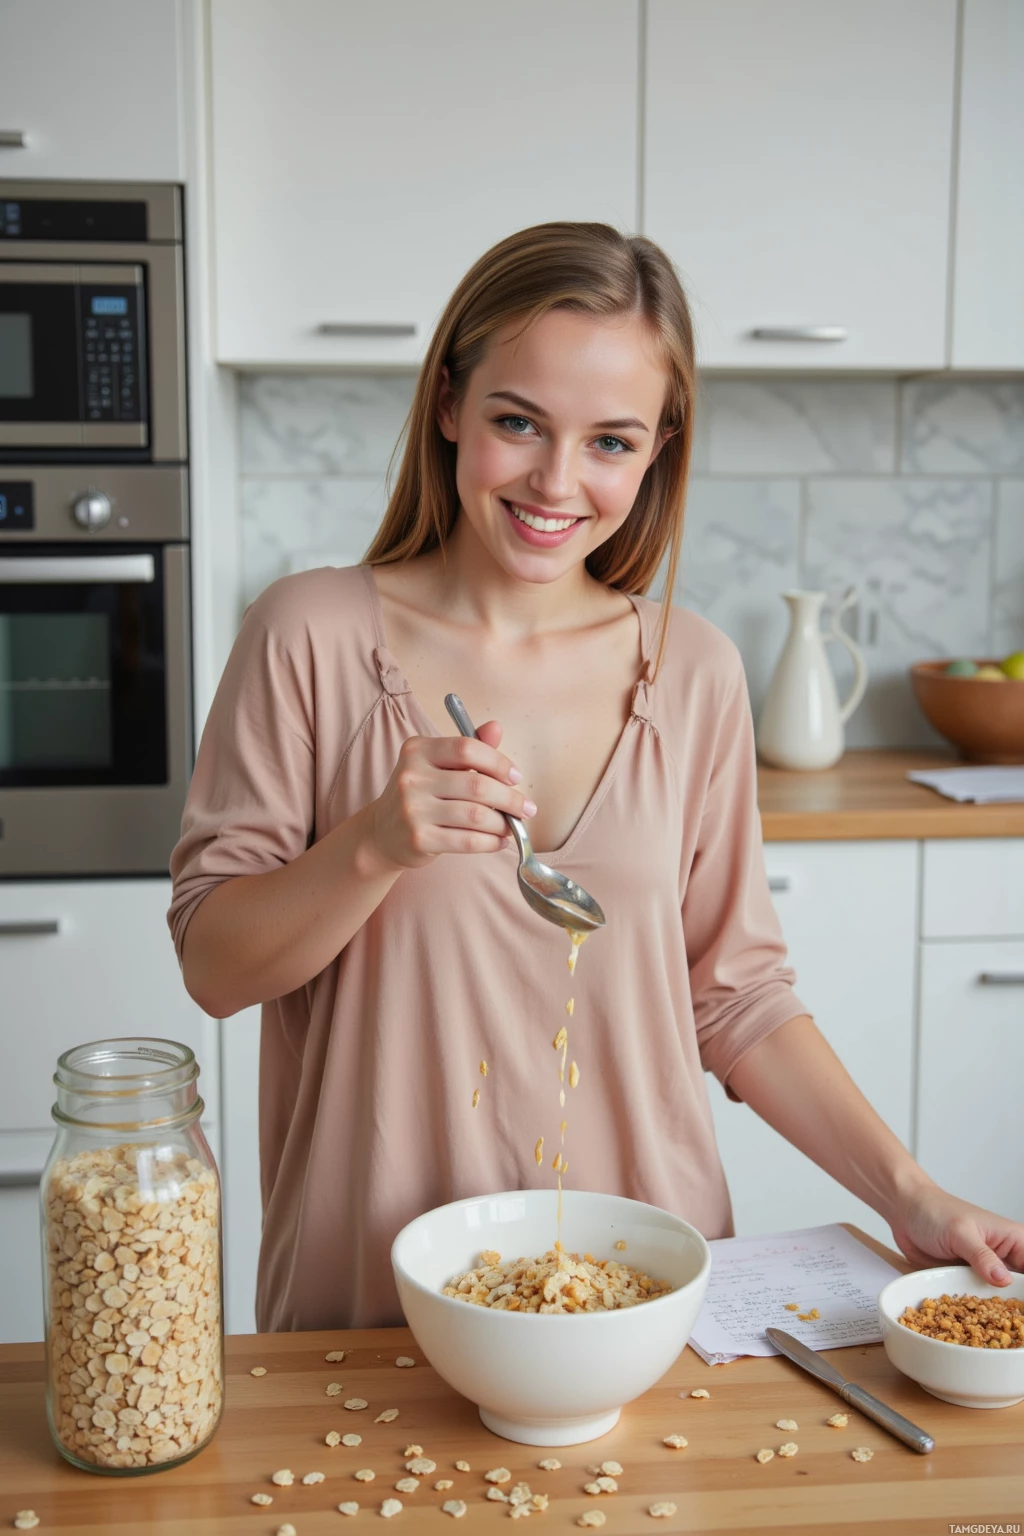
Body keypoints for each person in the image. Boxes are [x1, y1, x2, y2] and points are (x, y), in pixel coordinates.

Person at [168, 223, 1023, 1331]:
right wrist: (373, 844)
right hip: (370, 1308)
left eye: (610, 441)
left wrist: (910, 1195)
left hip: (645, 1297)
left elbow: (739, 998)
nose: (556, 481)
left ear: (659, 446)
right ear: (447, 406)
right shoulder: (308, 635)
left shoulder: (695, 669)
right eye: (517, 421)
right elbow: (214, 969)